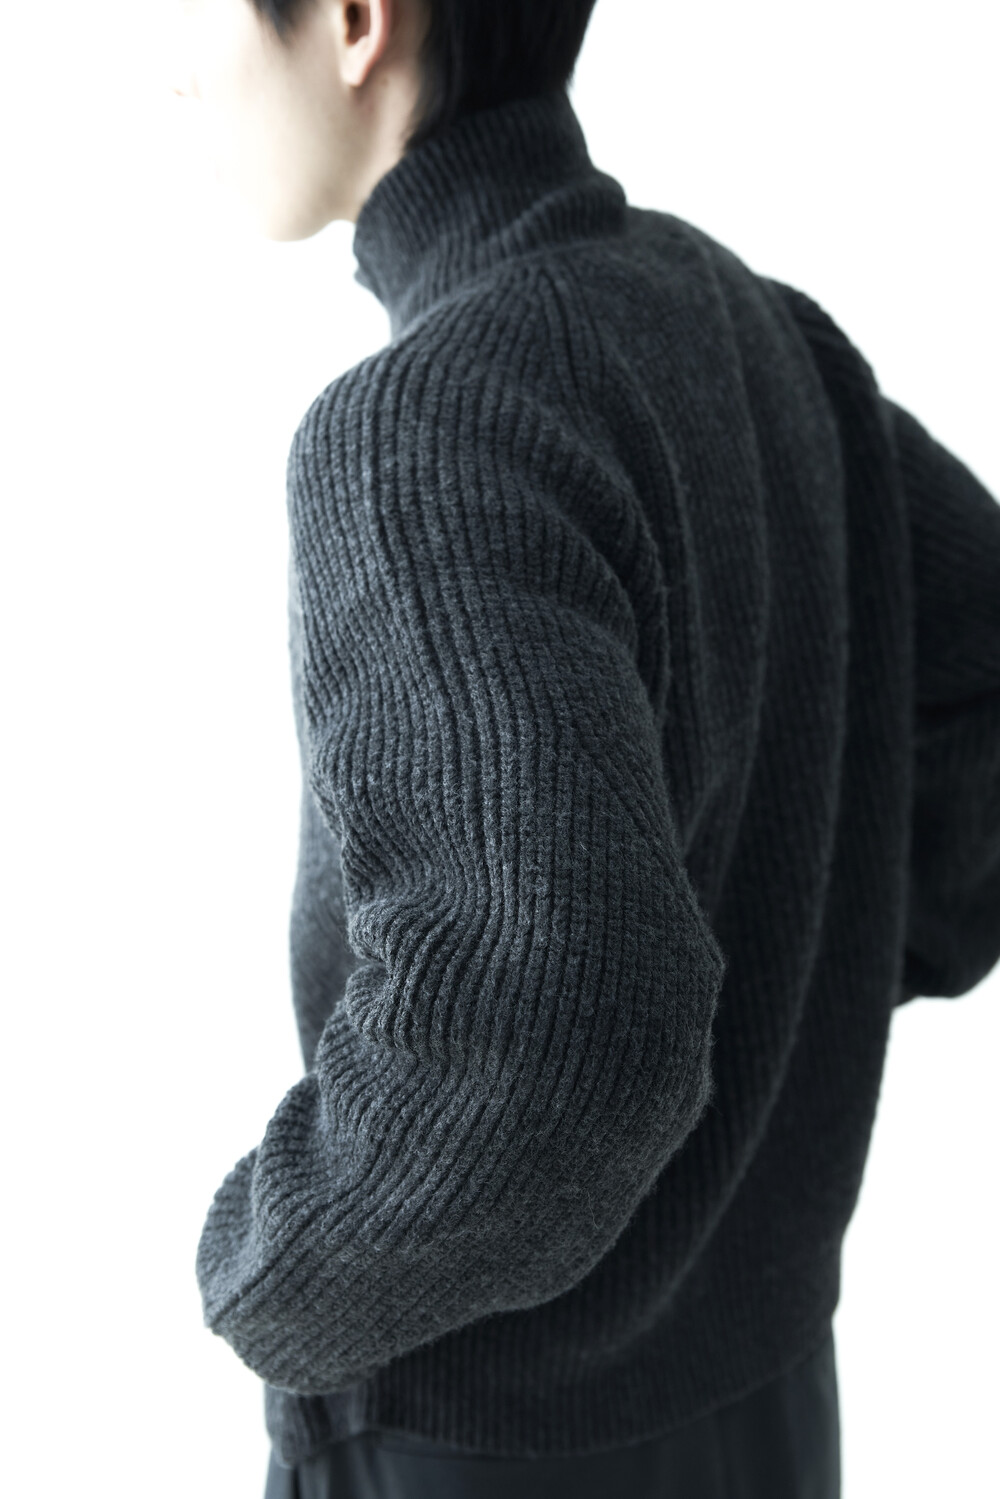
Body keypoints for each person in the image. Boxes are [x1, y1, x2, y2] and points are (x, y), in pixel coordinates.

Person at [171, 3, 1000, 1496]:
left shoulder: (420, 432)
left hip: (473, 1449)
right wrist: (795, 970)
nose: (173, 65)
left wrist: (263, 1274)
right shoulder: (755, 328)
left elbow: (545, 1030)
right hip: (769, 1412)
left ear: (356, 22)